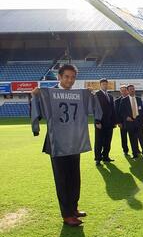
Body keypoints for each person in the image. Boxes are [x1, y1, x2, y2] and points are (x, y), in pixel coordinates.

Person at [30, 64, 102, 227]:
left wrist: (92, 95)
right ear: (59, 77)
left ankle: (74, 207)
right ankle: (67, 214)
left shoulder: (80, 95)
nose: (70, 80)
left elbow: (95, 109)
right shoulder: (48, 94)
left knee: (74, 177)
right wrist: (34, 97)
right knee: (62, 179)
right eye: (67, 77)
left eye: (73, 77)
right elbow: (38, 115)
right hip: (57, 143)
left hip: (74, 141)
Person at [119, 84, 143, 159]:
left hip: (139, 121)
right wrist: (126, 117)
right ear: (128, 91)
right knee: (132, 139)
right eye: (130, 89)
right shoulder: (124, 100)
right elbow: (121, 112)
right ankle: (135, 154)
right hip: (130, 122)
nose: (132, 90)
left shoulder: (138, 99)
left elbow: (141, 111)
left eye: (133, 89)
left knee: (141, 138)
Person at [94, 78, 116, 166]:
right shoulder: (97, 94)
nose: (105, 86)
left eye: (106, 84)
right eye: (103, 84)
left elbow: (112, 110)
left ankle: (106, 156)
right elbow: (95, 108)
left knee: (108, 141)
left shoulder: (110, 96)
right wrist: (97, 121)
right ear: (100, 85)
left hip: (109, 123)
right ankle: (98, 159)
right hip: (100, 122)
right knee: (99, 141)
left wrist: (114, 121)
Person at [115, 85, 130, 156]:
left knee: (133, 137)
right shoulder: (117, 101)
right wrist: (118, 122)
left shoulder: (131, 99)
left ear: (127, 91)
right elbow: (117, 113)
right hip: (122, 123)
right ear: (120, 92)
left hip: (131, 122)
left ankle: (136, 149)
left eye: (125, 90)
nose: (123, 92)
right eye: (122, 90)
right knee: (123, 137)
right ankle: (125, 150)